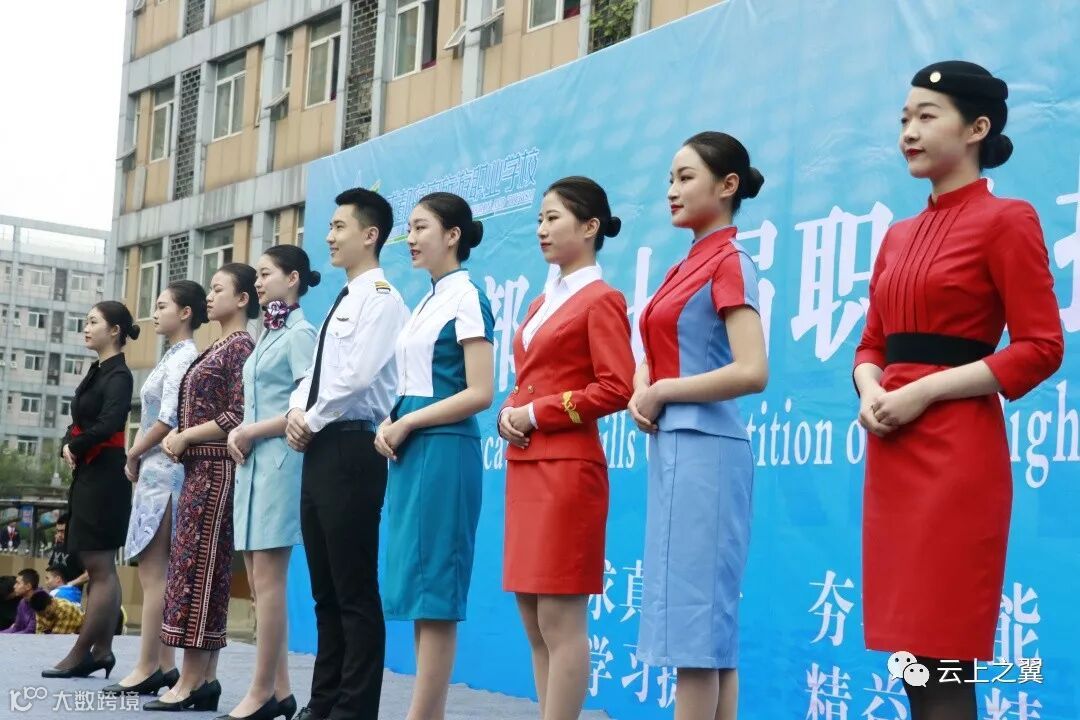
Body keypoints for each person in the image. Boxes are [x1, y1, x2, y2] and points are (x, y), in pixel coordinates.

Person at [853, 61, 1064, 720]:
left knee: (945, 659)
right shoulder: (897, 235)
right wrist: (869, 390)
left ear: (977, 129)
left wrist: (924, 393)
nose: (909, 132)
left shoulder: (1008, 219)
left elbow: (1041, 347)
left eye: (926, 117)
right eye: (904, 119)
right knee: (912, 662)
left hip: (956, 456)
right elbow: (871, 345)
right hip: (893, 449)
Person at [630, 132, 768, 720]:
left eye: (686, 177)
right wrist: (643, 384)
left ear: (727, 185)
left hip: (707, 452)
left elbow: (753, 370)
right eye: (670, 178)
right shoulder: (682, 266)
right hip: (675, 449)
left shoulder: (729, 261)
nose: (672, 190)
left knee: (699, 634)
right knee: (706, 637)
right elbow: (655, 349)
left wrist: (662, 391)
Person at [497, 176, 635, 720]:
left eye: (553, 218)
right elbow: (530, 378)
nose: (542, 228)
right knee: (533, 619)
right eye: (539, 219)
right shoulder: (542, 300)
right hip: (527, 464)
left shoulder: (602, 299)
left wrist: (536, 413)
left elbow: (616, 387)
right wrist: (510, 412)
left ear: (590, 226)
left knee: (560, 618)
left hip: (566, 470)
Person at [286, 187, 408, 720]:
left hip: (352, 447)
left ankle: (354, 710)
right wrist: (297, 411)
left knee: (354, 589)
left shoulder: (382, 299)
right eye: (331, 227)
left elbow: (356, 378)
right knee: (325, 590)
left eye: (340, 227)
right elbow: (315, 375)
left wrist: (309, 419)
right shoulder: (342, 298)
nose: (330, 237)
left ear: (370, 235)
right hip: (319, 446)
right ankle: (324, 703)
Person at [374, 192, 494, 720]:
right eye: (410, 228)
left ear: (453, 235)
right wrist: (391, 420)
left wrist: (409, 422)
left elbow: (480, 392)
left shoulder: (467, 297)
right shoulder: (425, 301)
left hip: (444, 452)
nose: (411, 237)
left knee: (437, 594)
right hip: (412, 450)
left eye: (421, 227)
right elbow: (412, 384)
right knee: (421, 593)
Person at [149, 264, 257, 713]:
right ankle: (205, 678)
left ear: (243, 299)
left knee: (201, 571)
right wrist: (183, 440)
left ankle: (192, 679)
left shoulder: (241, 347)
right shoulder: (220, 346)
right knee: (196, 569)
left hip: (216, 471)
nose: (210, 297)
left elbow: (238, 413)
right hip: (199, 470)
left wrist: (186, 436)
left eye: (218, 289)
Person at [223, 246, 319, 720]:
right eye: (257, 276)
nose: (258, 283)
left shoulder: (301, 334)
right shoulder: (268, 333)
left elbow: (307, 405)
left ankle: (261, 691)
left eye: (266, 274)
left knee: (269, 581)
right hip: (253, 467)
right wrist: (240, 434)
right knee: (258, 584)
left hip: (280, 466)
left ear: (293, 278)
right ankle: (280, 690)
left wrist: (250, 431)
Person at [105, 281, 205, 697]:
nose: (155, 312)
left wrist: (132, 453)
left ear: (185, 313)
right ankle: (163, 664)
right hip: (155, 472)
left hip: (164, 472)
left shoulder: (184, 357)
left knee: (154, 572)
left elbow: (168, 419)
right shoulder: (174, 354)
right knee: (155, 571)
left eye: (162, 306)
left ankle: (148, 665)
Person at [42, 302, 136, 679]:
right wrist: (68, 443)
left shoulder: (120, 375)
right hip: (90, 473)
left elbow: (110, 422)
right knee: (99, 566)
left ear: (114, 331)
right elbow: (80, 421)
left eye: (93, 322)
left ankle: (83, 652)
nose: (86, 328)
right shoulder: (98, 370)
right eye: (85, 322)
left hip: (106, 477)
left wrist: (76, 445)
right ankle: (102, 651)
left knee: (100, 566)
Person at [47, 514, 87, 592]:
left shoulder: (79, 549)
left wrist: (68, 585)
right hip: (54, 593)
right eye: (58, 531)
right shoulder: (58, 546)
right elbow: (51, 569)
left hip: (69, 594)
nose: (59, 535)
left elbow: (88, 574)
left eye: (63, 531)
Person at [1, 569, 41, 634]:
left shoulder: (40, 601)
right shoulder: (22, 602)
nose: (14, 586)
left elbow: (31, 631)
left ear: (28, 586)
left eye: (18, 583)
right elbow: (17, 628)